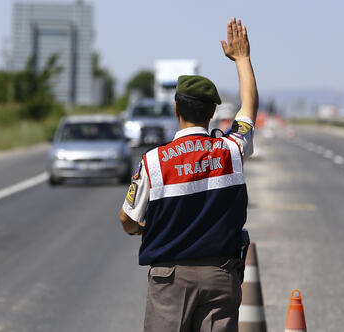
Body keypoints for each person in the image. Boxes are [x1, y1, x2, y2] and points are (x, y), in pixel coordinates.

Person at [119, 17, 258, 332]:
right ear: (212, 113)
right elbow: (249, 109)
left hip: (170, 281)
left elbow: (127, 220)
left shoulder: (153, 162)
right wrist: (243, 59)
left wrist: (145, 228)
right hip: (221, 276)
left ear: (175, 108)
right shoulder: (232, 150)